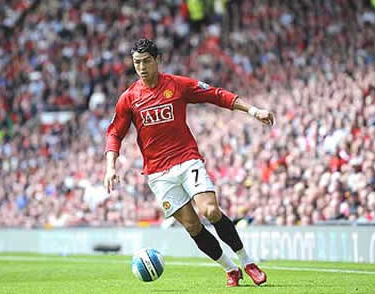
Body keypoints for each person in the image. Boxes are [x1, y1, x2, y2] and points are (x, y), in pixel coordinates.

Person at [104, 38, 273, 287]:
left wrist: (253, 110)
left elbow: (215, 95)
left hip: (186, 160)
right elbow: (115, 133)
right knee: (193, 225)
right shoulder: (129, 98)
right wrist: (110, 166)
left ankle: (247, 262)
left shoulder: (177, 85)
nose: (141, 67)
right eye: (137, 62)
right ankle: (230, 268)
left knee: (210, 211)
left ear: (157, 60)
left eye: (146, 61)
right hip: (158, 174)